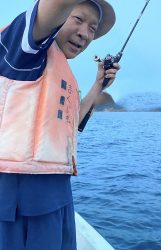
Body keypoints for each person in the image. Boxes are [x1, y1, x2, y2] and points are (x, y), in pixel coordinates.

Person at [0, 0, 120, 249]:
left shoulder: (63, 72)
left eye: (92, 28)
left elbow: (70, 124)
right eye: (77, 19)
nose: (84, 34)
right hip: (21, 193)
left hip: (59, 192)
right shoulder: (26, 48)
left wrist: (98, 85)